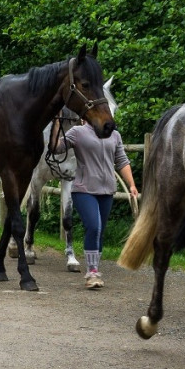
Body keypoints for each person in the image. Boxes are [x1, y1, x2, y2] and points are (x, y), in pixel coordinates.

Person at [63, 121, 139, 289]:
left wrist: (132, 184)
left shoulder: (114, 134)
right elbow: (57, 148)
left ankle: (95, 269)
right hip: (83, 189)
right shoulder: (77, 132)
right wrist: (55, 129)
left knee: (100, 231)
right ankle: (92, 272)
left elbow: (122, 160)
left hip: (107, 191)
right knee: (94, 226)